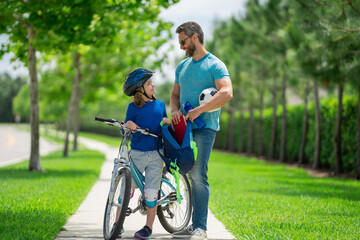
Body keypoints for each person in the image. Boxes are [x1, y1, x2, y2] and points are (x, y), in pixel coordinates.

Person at [170, 21, 233, 239]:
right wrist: (174, 110)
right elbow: (175, 95)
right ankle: (194, 222)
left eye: (183, 41)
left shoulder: (216, 65)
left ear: (195, 37)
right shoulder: (182, 67)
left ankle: (200, 228)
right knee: (186, 171)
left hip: (205, 129)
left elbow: (226, 93)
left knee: (198, 174)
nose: (181, 47)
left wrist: (200, 110)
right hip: (183, 128)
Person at [123, 68, 171, 240]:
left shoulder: (160, 105)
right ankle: (118, 222)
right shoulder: (133, 107)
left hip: (157, 153)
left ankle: (148, 228)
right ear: (140, 90)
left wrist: (166, 122)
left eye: (152, 82)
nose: (153, 85)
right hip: (137, 153)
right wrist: (129, 124)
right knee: (127, 188)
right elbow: (128, 122)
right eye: (149, 83)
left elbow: (164, 122)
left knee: (152, 193)